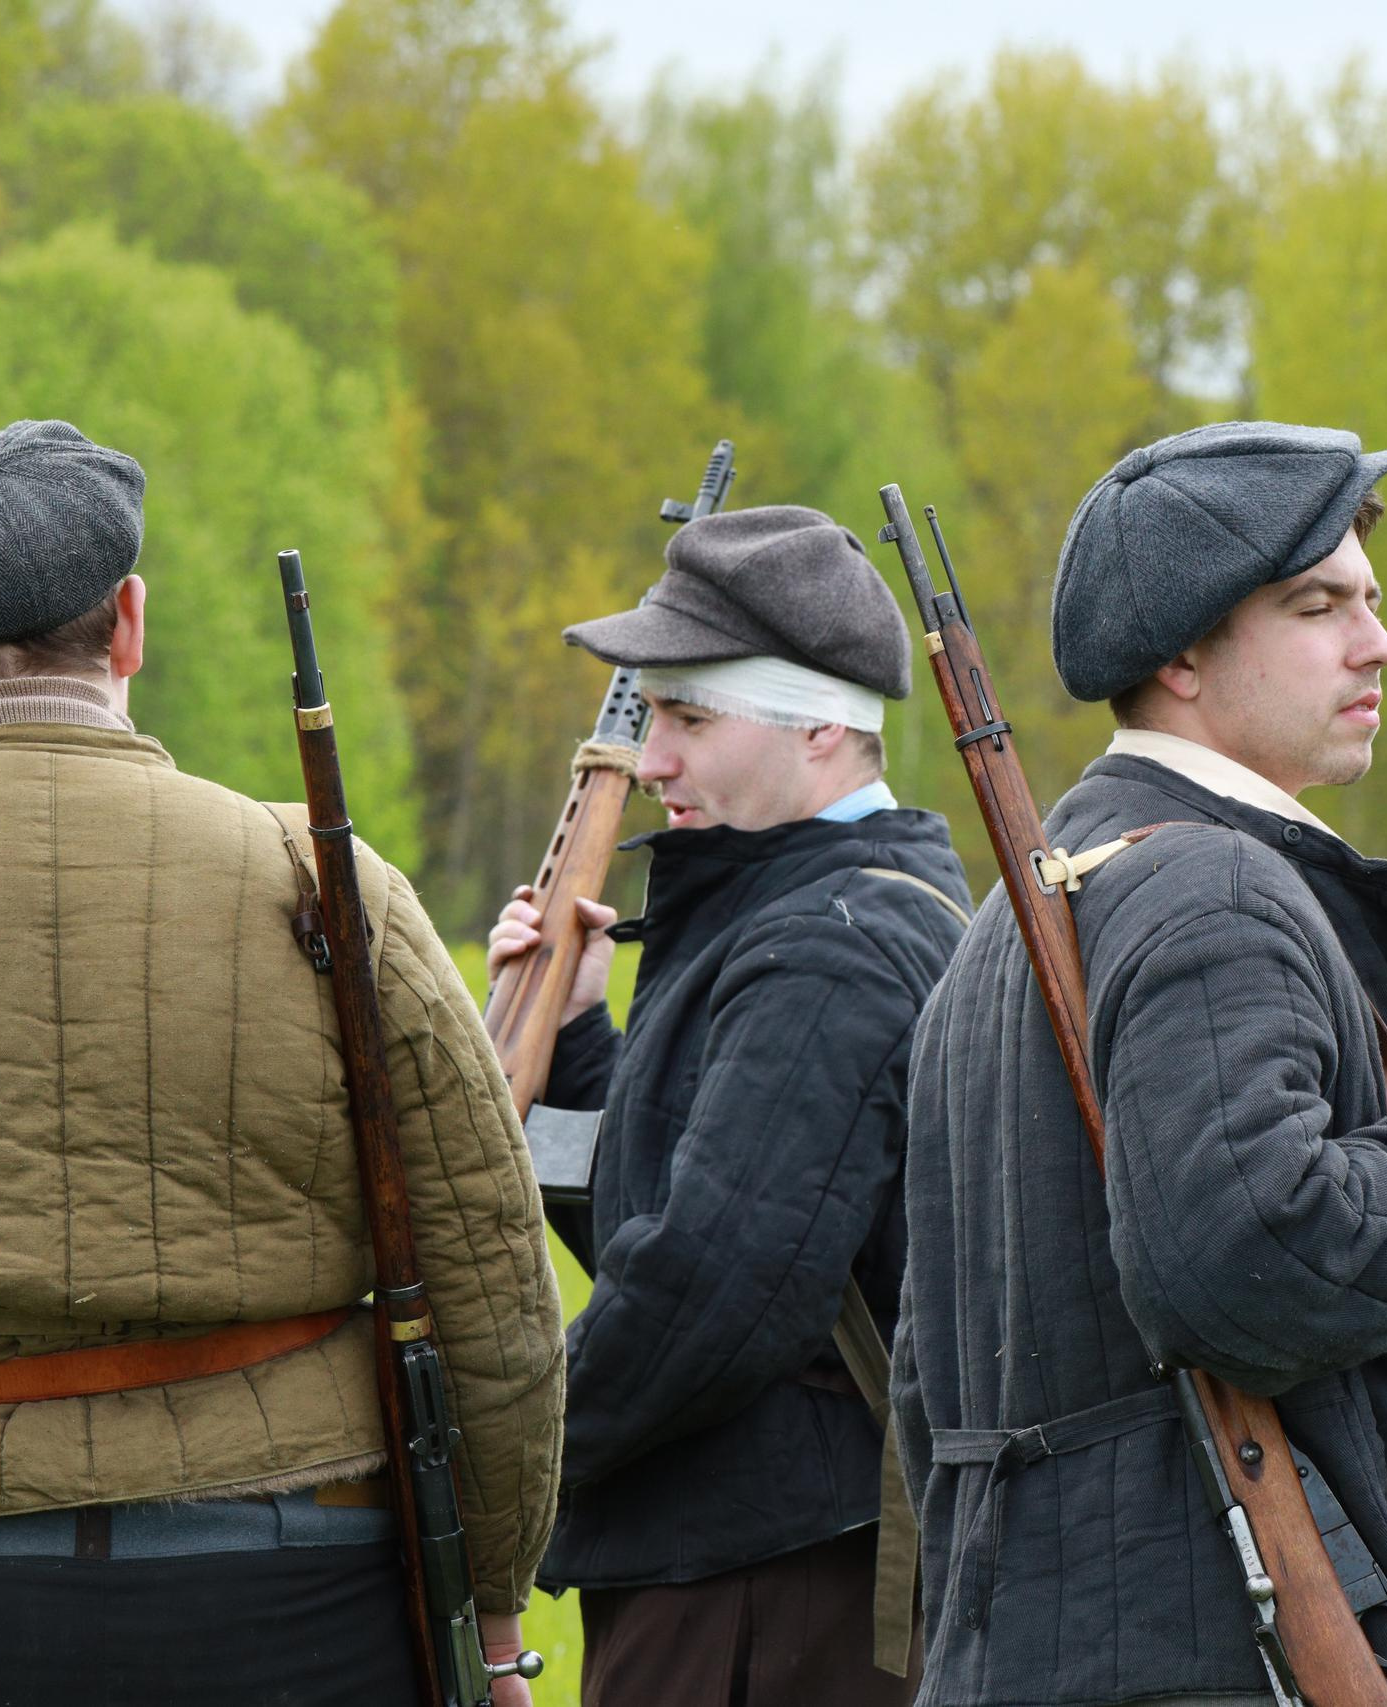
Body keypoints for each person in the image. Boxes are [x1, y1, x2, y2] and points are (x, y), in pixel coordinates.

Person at [0, 419, 563, 1707]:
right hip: (308, 1609)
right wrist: (495, 1617)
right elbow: (497, 1302)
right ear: (130, 624)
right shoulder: (330, 884)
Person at [893, 422, 1387, 1707]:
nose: (1377, 644)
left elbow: (930, 1372)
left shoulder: (1022, 915)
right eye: (1317, 606)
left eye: (1369, 601)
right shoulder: (1213, 892)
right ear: (1179, 655)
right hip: (1218, 1662)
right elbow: (1243, 1254)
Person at [486, 503, 970, 1706]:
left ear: (822, 724)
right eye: (652, 716)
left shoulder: (833, 944)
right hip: (748, 1556)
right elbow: (669, 1211)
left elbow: (713, 1290)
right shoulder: (788, 912)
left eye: (690, 718)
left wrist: (491, 1464)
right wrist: (579, 1033)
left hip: (775, 1588)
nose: (652, 760)